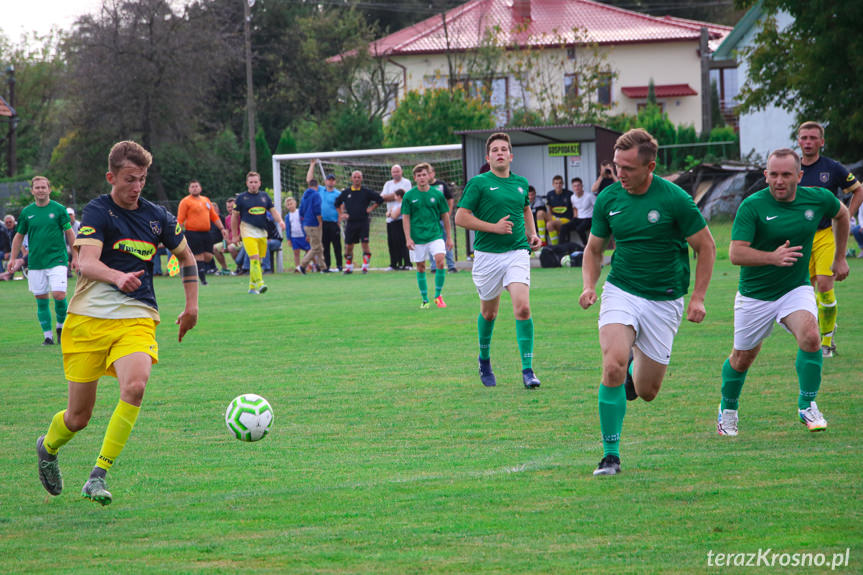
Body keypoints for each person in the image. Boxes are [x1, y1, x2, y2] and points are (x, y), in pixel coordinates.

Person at [35, 140, 198, 506]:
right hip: (87, 321)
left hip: (136, 317)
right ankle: (47, 448)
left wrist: (191, 308)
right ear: (111, 177)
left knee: (136, 387)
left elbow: (187, 258)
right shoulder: (98, 212)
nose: (136, 186)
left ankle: (98, 475)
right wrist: (116, 276)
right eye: (129, 179)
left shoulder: (157, 217)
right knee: (78, 418)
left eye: (141, 179)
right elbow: (86, 263)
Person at [578, 128, 715, 477]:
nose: (619, 173)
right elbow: (594, 248)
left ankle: (632, 370)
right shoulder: (609, 199)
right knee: (611, 365)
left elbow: (706, 247)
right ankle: (610, 455)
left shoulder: (674, 200)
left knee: (647, 391)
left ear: (650, 166)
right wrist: (589, 285)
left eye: (628, 168)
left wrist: (698, 297)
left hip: (664, 300)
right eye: (616, 166)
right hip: (621, 289)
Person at [716, 148, 849, 437]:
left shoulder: (817, 198)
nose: (779, 180)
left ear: (799, 176)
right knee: (742, 358)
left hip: (794, 288)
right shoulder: (752, 206)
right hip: (755, 294)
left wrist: (839, 257)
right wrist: (771, 257)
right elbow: (735, 253)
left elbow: (843, 214)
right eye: (773, 174)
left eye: (786, 174)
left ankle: (807, 404)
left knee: (811, 337)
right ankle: (727, 410)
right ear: (765, 175)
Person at [455, 132, 543, 390]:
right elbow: (461, 217)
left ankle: (528, 370)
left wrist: (533, 234)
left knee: (523, 308)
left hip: (517, 252)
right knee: (489, 313)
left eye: (504, 149)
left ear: (511, 156)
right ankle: (484, 360)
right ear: (488, 157)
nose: (500, 153)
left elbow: (525, 209)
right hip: (487, 257)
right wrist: (493, 227)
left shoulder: (521, 183)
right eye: (495, 150)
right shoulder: (479, 183)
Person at [796, 121, 862, 357]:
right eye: (804, 138)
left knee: (825, 285)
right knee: (803, 291)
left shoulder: (832, 168)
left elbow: (858, 189)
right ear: (798, 141)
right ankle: (820, 328)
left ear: (821, 142)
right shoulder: (792, 169)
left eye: (813, 138)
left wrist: (846, 216)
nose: (808, 142)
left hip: (826, 234)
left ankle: (826, 342)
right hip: (800, 237)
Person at [7, 176, 78, 345]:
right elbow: (18, 237)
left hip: (57, 260)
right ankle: (48, 336)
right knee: (41, 298)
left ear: (49, 189)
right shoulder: (26, 212)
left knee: (59, 295)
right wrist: (13, 258)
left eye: (43, 187)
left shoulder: (59, 209)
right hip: (36, 262)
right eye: (37, 187)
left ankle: (61, 327)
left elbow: (69, 233)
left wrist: (76, 256)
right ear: (32, 191)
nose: (40, 190)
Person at [402, 163, 453, 308]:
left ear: (429, 175)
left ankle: (438, 296)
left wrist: (449, 237)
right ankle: (425, 300)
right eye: (419, 175)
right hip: (417, 238)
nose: (422, 177)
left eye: (424, 174)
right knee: (421, 266)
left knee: (440, 261)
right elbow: (405, 217)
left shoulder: (437, 194)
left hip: (435, 235)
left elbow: (445, 216)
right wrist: (408, 238)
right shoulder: (409, 196)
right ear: (415, 178)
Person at [231, 171, 284, 293]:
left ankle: (251, 287)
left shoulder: (264, 196)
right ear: (247, 183)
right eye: (251, 182)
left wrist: (280, 221)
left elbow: (273, 211)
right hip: (247, 232)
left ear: (260, 183)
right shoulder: (241, 198)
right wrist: (234, 235)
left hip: (262, 233)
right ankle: (260, 284)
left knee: (258, 261)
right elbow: (234, 217)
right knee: (254, 258)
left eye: (255, 182)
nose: (253, 184)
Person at [177, 180, 228, 285]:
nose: (195, 188)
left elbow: (214, 216)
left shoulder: (206, 200)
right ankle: (203, 280)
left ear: (200, 188)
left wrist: (222, 228)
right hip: (193, 233)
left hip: (206, 233)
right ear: (189, 189)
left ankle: (188, 266)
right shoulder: (185, 201)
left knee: (208, 256)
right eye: (192, 186)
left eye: (196, 186)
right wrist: (178, 232)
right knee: (199, 256)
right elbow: (180, 219)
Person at [334, 170, 382, 274]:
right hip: (351, 223)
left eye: (358, 177)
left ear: (362, 178)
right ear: (351, 179)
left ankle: (365, 266)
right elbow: (337, 203)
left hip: (363, 222)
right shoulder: (346, 192)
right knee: (348, 246)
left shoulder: (366, 191)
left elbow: (380, 199)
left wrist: (371, 208)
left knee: (365, 244)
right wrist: (341, 214)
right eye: (355, 177)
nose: (356, 179)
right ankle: (349, 267)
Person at [381, 164, 412, 270]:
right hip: (390, 221)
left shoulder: (406, 182)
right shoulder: (388, 184)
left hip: (402, 219)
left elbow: (406, 196)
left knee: (403, 242)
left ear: (401, 172)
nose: (395, 173)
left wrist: (391, 197)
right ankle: (394, 264)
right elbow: (383, 197)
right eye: (394, 171)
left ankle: (407, 263)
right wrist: (393, 196)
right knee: (392, 243)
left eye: (397, 171)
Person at [428, 166, 458, 273]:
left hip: (442, 220)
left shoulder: (441, 185)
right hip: (430, 221)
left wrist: (448, 213)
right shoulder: (423, 187)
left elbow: (450, 199)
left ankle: (451, 266)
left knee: (447, 241)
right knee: (431, 243)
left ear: (434, 173)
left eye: (430, 172)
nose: (428, 175)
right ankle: (434, 267)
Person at [536, 175, 572, 246]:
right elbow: (549, 210)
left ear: (563, 184)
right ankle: (543, 241)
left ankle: (555, 247)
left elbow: (574, 208)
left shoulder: (569, 194)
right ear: (553, 184)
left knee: (549, 224)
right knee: (540, 213)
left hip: (565, 219)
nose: (558, 185)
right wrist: (550, 219)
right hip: (554, 217)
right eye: (556, 183)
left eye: (560, 183)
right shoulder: (550, 194)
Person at [299, 179, 325, 273]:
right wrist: (320, 222)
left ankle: (323, 267)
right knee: (315, 247)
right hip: (314, 224)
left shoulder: (304, 197)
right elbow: (317, 209)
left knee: (319, 246)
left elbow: (301, 212)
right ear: (317, 186)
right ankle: (303, 265)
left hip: (306, 224)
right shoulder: (316, 195)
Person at [560, 177, 594, 247]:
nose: (577, 188)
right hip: (579, 218)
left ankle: (586, 246)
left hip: (589, 218)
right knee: (564, 227)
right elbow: (575, 208)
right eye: (575, 186)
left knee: (579, 228)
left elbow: (597, 207)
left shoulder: (589, 196)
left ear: (582, 186)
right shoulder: (572, 197)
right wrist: (574, 219)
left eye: (578, 185)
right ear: (572, 187)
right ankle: (562, 247)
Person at [284, 196, 310, 271]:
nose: (290, 205)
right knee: (296, 253)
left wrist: (307, 234)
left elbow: (305, 223)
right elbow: (288, 229)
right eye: (288, 204)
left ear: (295, 203)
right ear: (286, 207)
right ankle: (298, 267)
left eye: (291, 203)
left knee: (308, 251)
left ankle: (308, 265)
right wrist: (289, 239)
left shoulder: (300, 212)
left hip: (303, 236)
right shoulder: (287, 217)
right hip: (294, 237)